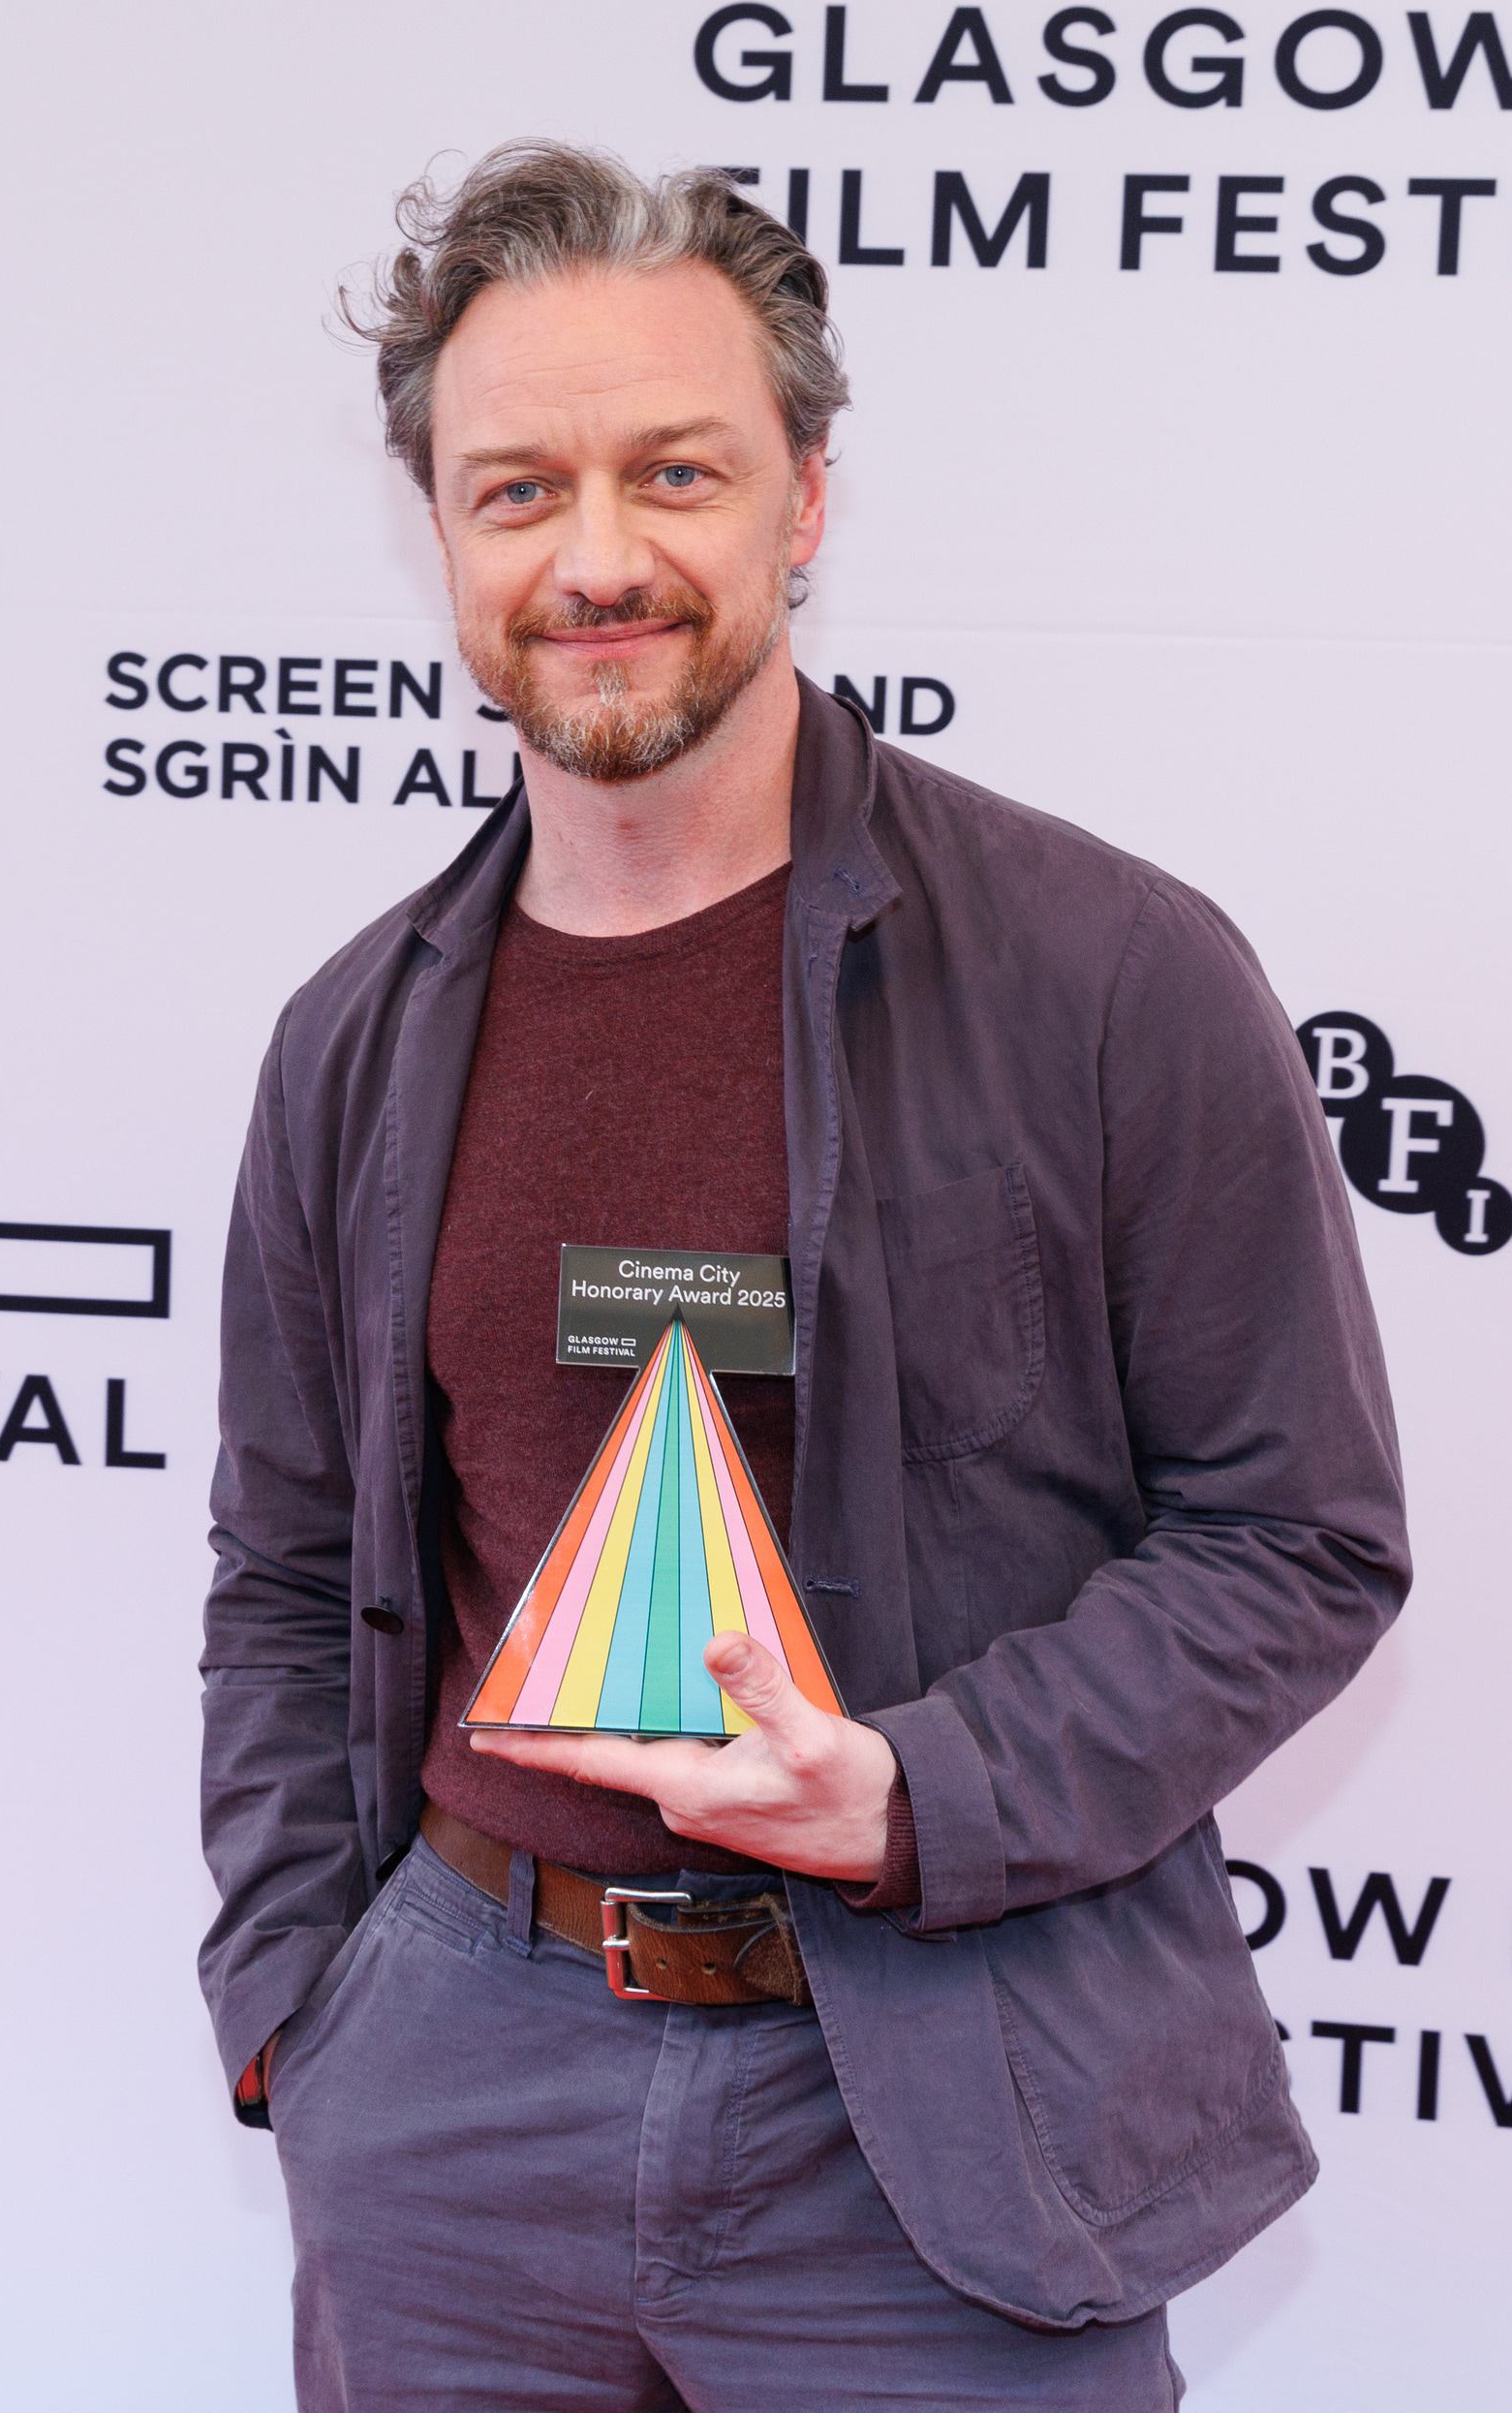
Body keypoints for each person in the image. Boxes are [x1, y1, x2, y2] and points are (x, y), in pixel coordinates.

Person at [198, 141, 1408, 2412]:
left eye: (677, 471)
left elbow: (1296, 1535)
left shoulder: (1109, 973)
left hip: (944, 2105)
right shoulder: (355, 1036)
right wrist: (304, 2013)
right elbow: (283, 1568)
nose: (601, 556)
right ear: (440, 532)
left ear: (806, 500)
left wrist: (919, 1789)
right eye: (518, 489)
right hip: (454, 2100)